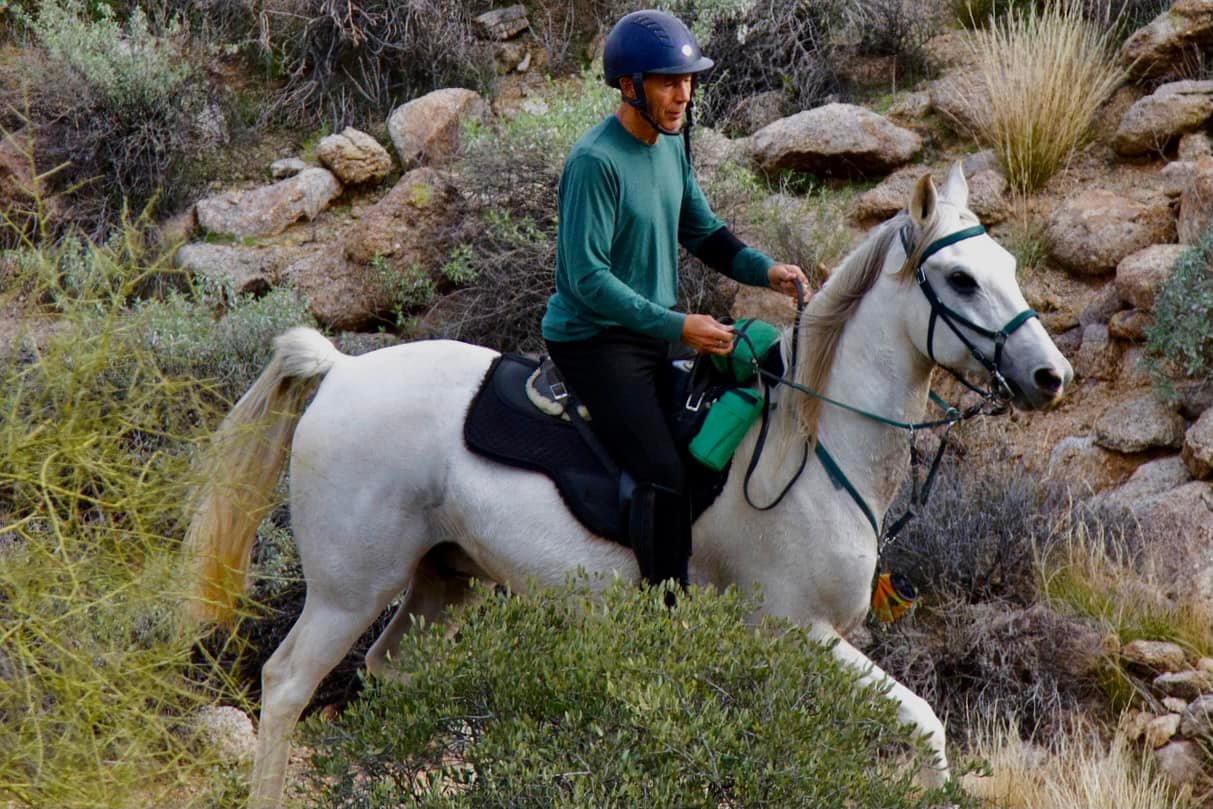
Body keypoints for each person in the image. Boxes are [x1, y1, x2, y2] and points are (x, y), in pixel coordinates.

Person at [541, 9, 807, 597]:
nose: (682, 94)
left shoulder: (669, 146)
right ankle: (665, 617)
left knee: (704, 443)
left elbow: (703, 232)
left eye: (688, 81)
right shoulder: (595, 162)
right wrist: (680, 326)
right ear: (630, 87)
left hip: (649, 334)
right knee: (662, 473)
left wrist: (765, 270)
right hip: (593, 340)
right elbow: (587, 279)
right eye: (667, 81)